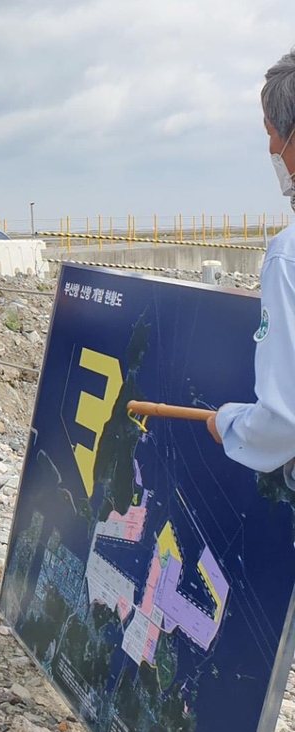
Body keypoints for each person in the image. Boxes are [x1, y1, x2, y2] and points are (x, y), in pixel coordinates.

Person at [208, 50, 295, 480]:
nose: (271, 148)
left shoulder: (287, 256)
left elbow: (285, 415)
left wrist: (229, 424)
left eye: (273, 132)